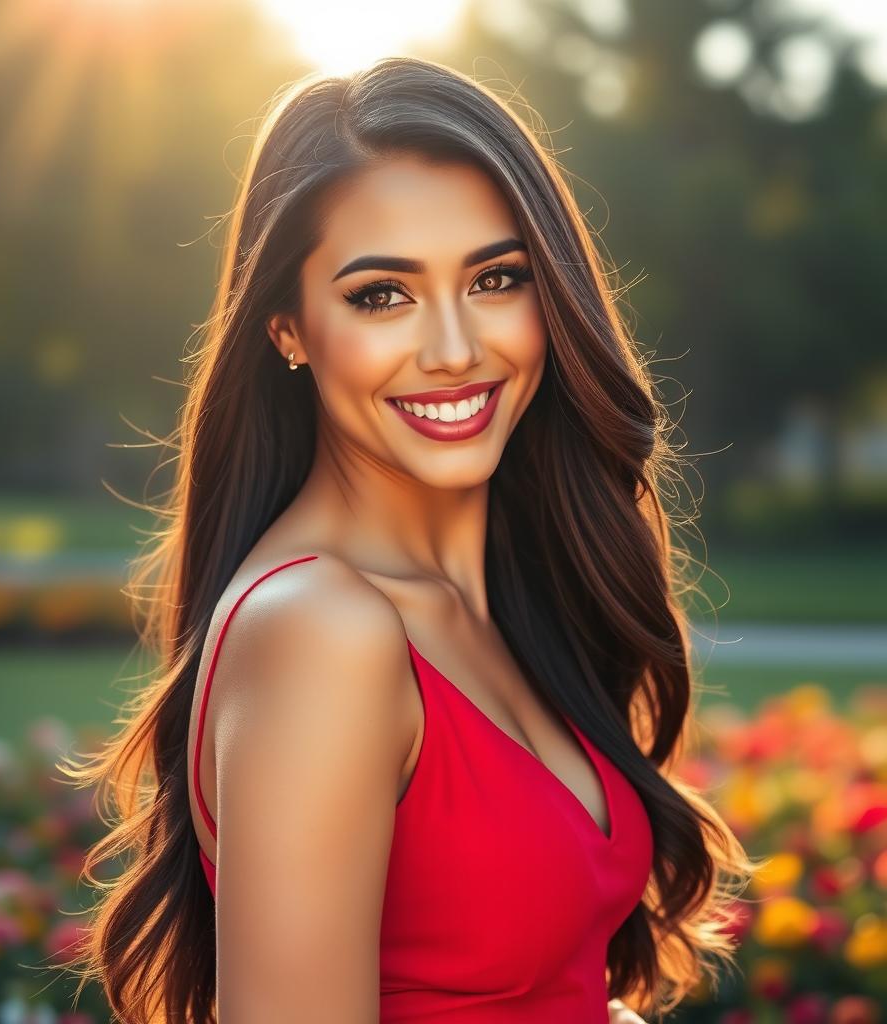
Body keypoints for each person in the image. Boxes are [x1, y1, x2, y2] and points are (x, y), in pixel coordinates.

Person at [64, 56, 758, 1024]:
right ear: (287, 327)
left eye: (495, 278)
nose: (451, 348)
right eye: (380, 294)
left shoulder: (508, 594)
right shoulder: (320, 629)